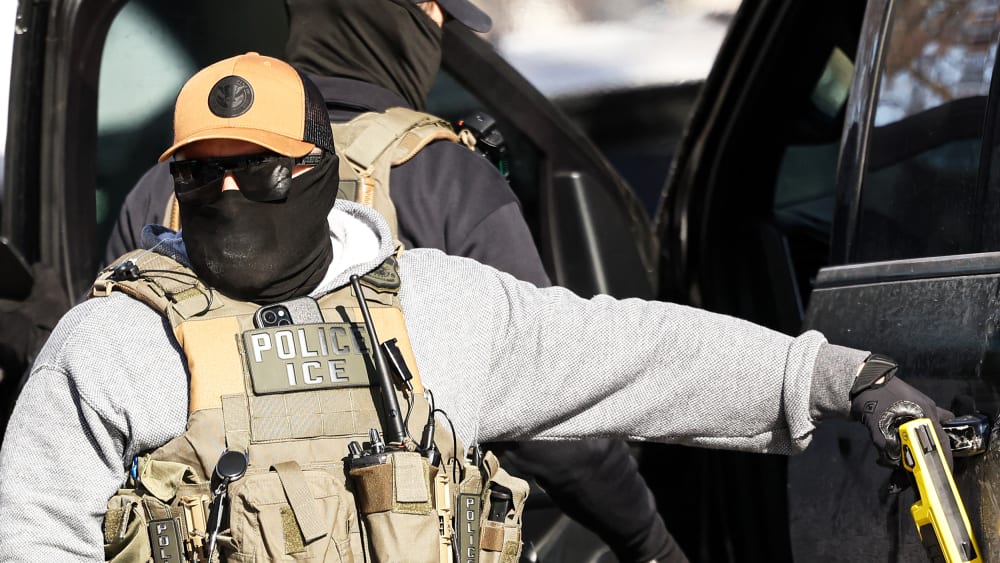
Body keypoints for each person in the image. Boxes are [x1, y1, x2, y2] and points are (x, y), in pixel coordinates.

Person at [0, 51, 953, 562]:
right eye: (199, 174)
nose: (227, 193)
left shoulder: (434, 308)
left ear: (321, 175)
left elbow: (640, 354)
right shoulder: (115, 343)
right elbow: (34, 534)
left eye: (253, 167)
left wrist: (840, 375)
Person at [102, 1, 679, 561]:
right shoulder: (445, 176)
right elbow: (549, 411)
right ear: (422, 14)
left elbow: (108, 397)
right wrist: (648, 541)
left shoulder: (174, 188)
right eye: (438, 15)